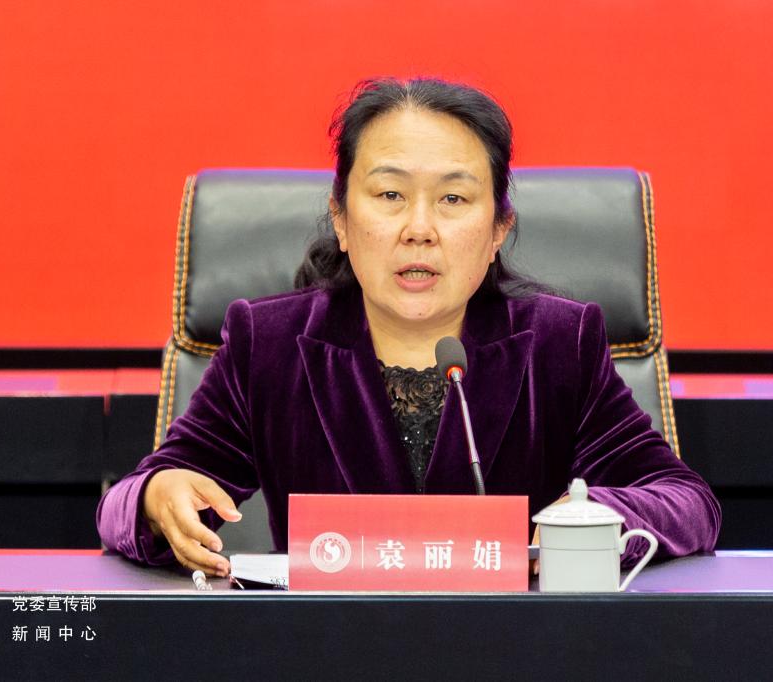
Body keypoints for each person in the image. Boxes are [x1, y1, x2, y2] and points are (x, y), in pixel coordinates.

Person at [97, 77, 721, 578]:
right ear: (341, 218)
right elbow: (128, 502)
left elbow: (686, 501)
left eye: (453, 199)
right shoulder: (271, 345)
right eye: (390, 195)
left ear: (498, 230)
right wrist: (157, 497)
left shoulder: (558, 345)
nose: (419, 229)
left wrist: (597, 516)